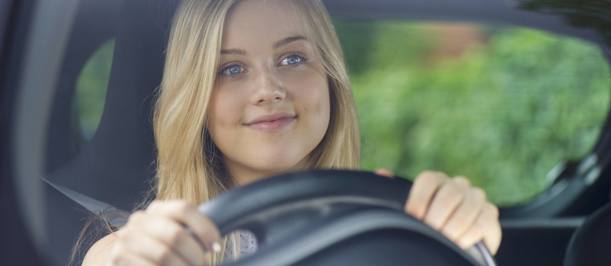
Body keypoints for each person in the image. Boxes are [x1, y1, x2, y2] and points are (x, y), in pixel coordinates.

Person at [82, 0, 501, 265]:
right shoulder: (134, 250)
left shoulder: (393, 226)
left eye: (292, 58)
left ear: (331, 81)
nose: (269, 90)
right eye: (231, 69)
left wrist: (465, 234)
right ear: (196, 102)